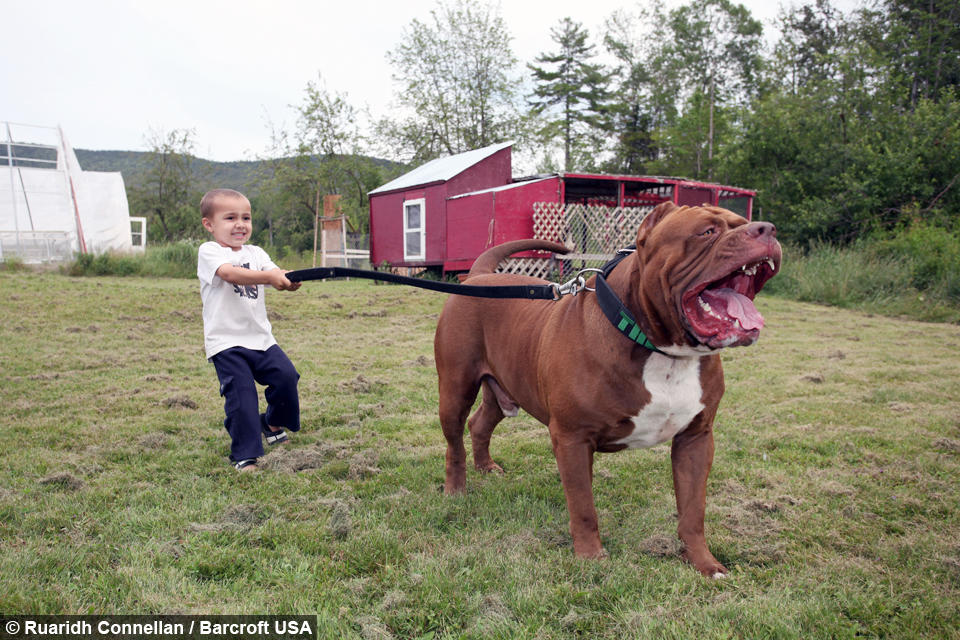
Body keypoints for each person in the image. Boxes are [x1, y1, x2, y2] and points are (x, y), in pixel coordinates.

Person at [197, 188, 302, 472]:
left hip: (261, 338)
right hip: (226, 342)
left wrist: (288, 280)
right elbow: (230, 273)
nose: (240, 224)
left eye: (246, 217)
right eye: (230, 218)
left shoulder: (256, 253)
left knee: (286, 377)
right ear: (210, 224)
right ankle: (245, 455)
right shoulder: (210, 251)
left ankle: (271, 423)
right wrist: (269, 277)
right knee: (242, 395)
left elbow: (275, 272)